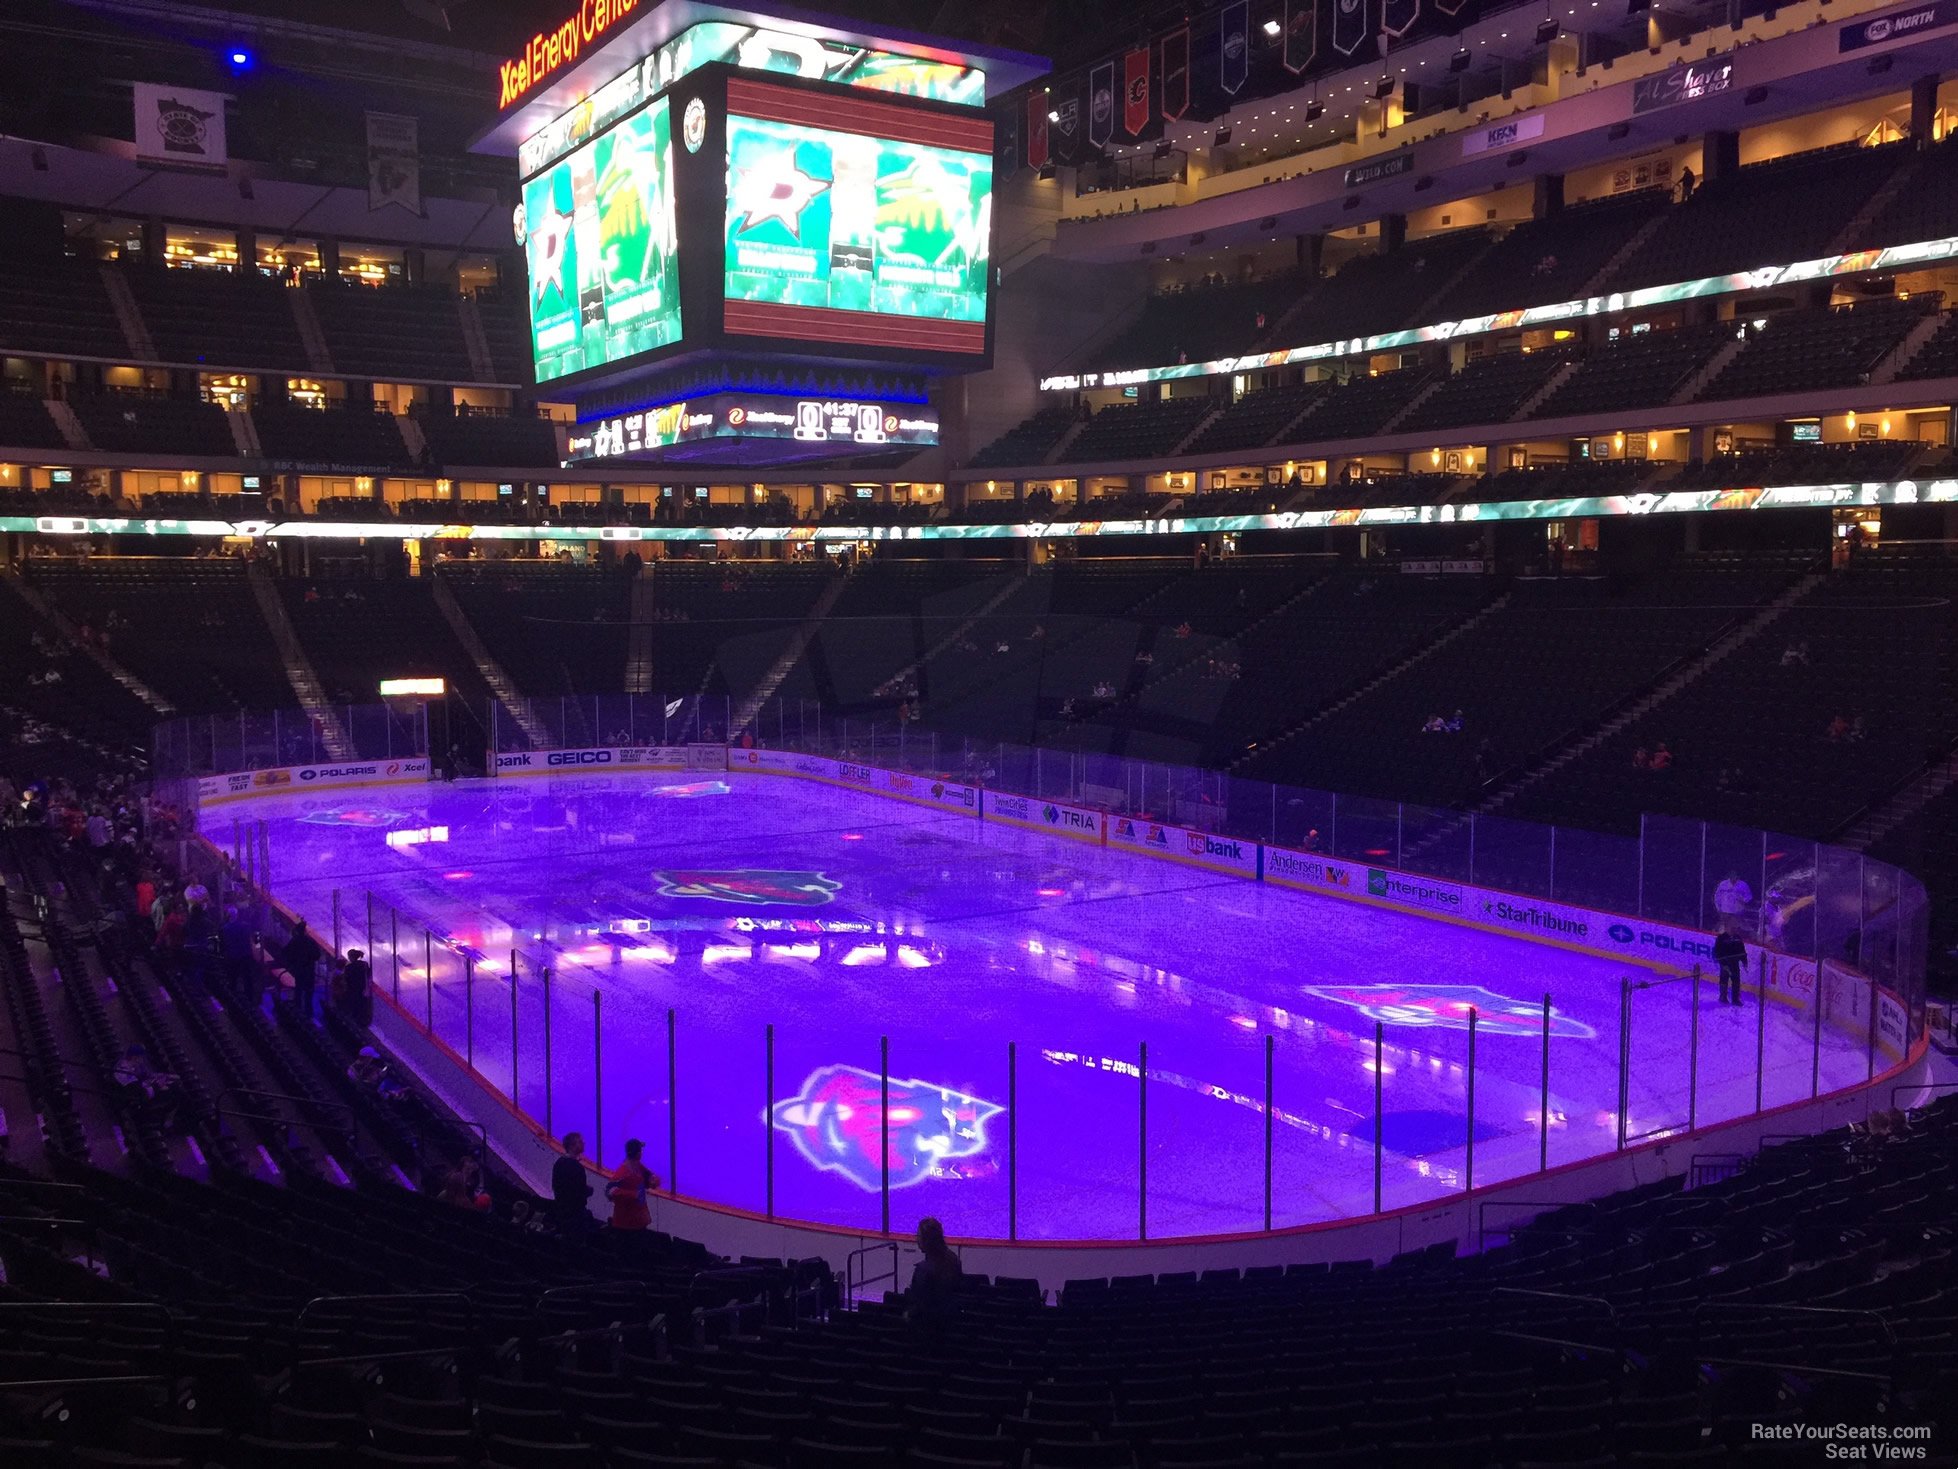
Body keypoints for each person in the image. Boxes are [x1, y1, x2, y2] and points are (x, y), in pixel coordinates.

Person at [906, 1216, 963, 1336]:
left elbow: (919, 1304)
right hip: (951, 1323)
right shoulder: (953, 1259)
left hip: (929, 1328)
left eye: (919, 1237)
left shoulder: (923, 1270)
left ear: (927, 1240)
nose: (917, 1240)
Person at [607, 1138, 659, 1231]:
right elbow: (610, 1191)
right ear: (638, 1154)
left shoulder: (639, 1167)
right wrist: (633, 1194)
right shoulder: (622, 1172)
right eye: (641, 1150)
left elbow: (651, 1179)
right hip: (626, 1224)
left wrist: (653, 1181)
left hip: (639, 1221)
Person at [278, 919, 324, 1019]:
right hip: (309, 970)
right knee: (309, 993)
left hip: (298, 969)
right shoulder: (310, 941)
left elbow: (285, 952)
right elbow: (316, 955)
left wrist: (292, 962)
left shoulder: (294, 941)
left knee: (298, 990)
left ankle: (298, 1012)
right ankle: (308, 1014)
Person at [552, 1131, 594, 1232]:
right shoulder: (576, 1167)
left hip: (562, 1210)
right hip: (574, 1214)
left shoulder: (559, 1162)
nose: (583, 1143)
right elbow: (578, 1192)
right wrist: (588, 1191)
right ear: (572, 1146)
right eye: (580, 1142)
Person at [337, 948, 373, 1027]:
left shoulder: (349, 968)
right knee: (363, 1007)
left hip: (353, 989)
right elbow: (369, 975)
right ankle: (363, 1023)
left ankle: (356, 1023)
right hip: (363, 988)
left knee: (355, 1007)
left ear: (351, 957)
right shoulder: (364, 964)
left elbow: (346, 979)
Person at [1712, 929, 1746, 1006]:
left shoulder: (1737, 938)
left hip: (1734, 963)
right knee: (1724, 979)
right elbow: (1718, 951)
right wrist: (1723, 963)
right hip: (1725, 962)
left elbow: (1742, 950)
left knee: (1736, 980)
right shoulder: (1721, 938)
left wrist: (1744, 960)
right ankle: (1723, 997)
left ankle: (1735, 999)